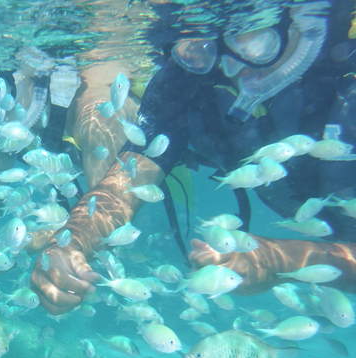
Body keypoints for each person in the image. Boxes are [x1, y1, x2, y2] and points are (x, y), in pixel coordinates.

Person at [26, 0, 356, 315]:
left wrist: (283, 259)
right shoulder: (186, 79)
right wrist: (71, 242)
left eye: (253, 40)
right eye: (198, 49)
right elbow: (126, 180)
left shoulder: (346, 82)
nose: (232, 67)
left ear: (298, 26)